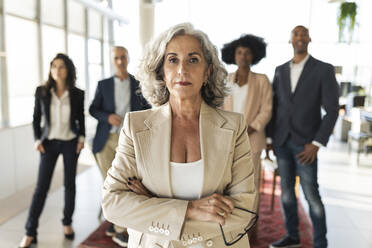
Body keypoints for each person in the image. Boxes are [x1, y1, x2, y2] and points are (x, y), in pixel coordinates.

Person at [101, 23, 257, 248]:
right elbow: (113, 204)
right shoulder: (136, 126)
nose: (182, 69)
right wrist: (191, 210)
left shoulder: (234, 126)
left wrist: (154, 206)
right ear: (162, 72)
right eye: (172, 60)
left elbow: (243, 210)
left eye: (193, 59)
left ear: (207, 72)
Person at [267, 26, 339, 248]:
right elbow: (274, 106)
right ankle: (293, 236)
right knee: (287, 194)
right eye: (295, 34)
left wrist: (317, 143)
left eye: (303, 33)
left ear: (309, 39)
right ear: (290, 40)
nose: (299, 37)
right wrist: (270, 139)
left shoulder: (323, 70)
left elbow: (332, 110)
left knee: (311, 196)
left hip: (306, 144)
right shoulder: (280, 70)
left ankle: (320, 243)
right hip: (281, 142)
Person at [19, 53, 85, 248]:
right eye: (54, 66)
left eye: (61, 66)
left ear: (68, 70)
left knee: (69, 185)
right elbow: (35, 118)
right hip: (48, 144)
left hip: (70, 143)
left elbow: (80, 118)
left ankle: (67, 223)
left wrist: (81, 139)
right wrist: (37, 140)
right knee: (41, 188)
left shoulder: (77, 93)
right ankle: (30, 232)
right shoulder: (42, 91)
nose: (57, 70)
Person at [89, 46, 150, 247]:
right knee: (111, 183)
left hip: (130, 142)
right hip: (106, 140)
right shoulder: (103, 84)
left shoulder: (138, 84)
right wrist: (107, 117)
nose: (120, 61)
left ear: (128, 58)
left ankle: (120, 226)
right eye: (116, 58)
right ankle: (120, 226)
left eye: (123, 57)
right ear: (112, 60)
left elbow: (148, 109)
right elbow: (92, 109)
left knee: (128, 182)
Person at [221, 34, 272, 238]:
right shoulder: (225, 80)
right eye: (239, 52)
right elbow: (218, 108)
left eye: (247, 52)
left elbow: (267, 109)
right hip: (227, 141)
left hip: (252, 140)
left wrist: (252, 127)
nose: (243, 56)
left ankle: (250, 226)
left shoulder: (261, 80)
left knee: (250, 185)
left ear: (254, 55)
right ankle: (229, 225)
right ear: (233, 55)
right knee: (227, 184)